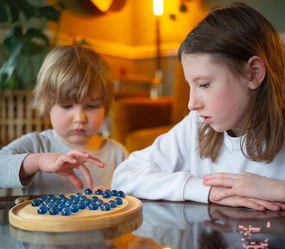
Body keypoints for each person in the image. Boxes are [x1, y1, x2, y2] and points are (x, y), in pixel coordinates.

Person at [111, 2, 285, 211]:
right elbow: (124, 176)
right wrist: (206, 191)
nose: (191, 104)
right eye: (190, 85)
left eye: (203, 84)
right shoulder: (197, 126)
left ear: (253, 73)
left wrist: (276, 189)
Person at [0, 45, 128, 195]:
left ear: (105, 107)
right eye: (67, 106)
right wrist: (37, 161)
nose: (80, 118)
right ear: (47, 105)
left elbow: (133, 202)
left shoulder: (118, 153)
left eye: (92, 106)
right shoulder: (36, 145)